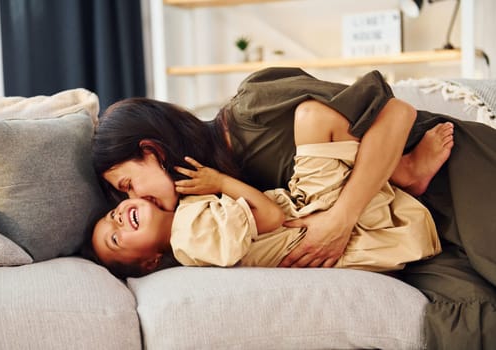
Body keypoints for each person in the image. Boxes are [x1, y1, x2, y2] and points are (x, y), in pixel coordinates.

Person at [91, 67, 495, 349]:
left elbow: (397, 113)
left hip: (449, 176)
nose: (133, 200)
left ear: (153, 151)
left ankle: (404, 171)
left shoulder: (253, 109)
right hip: (407, 231)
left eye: (128, 186)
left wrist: (339, 219)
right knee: (464, 326)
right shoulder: (216, 202)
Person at [91, 109, 442, 275]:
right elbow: (271, 216)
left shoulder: (187, 218)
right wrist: (221, 183)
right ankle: (402, 172)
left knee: (316, 118)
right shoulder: (189, 237)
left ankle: (396, 168)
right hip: (301, 219)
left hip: (301, 207)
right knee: (315, 118)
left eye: (112, 215)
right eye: (116, 238)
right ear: (152, 261)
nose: (119, 216)